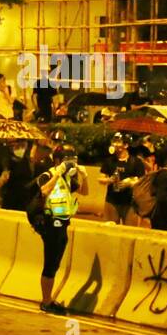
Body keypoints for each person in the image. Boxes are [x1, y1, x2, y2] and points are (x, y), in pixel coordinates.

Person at [28, 145, 86, 314]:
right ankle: (46, 301)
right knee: (50, 263)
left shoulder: (68, 179)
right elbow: (44, 191)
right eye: (69, 161)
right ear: (59, 161)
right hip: (49, 224)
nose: (72, 165)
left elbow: (85, 192)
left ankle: (48, 299)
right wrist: (58, 172)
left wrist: (84, 176)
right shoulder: (48, 175)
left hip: (62, 224)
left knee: (54, 264)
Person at [99, 132, 144, 224]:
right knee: (110, 229)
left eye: (118, 142)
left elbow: (142, 181)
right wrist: (110, 180)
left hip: (130, 202)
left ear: (126, 145)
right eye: (114, 141)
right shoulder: (109, 161)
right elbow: (101, 179)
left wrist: (130, 182)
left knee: (130, 231)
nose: (114, 144)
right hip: (112, 201)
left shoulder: (136, 162)